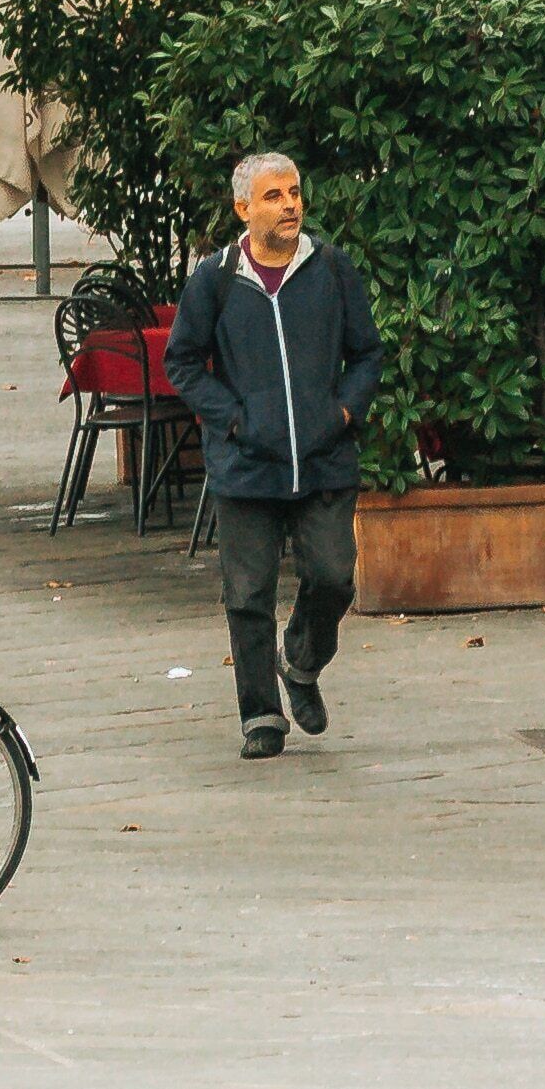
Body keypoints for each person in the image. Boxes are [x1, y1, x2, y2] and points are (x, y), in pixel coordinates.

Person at [165, 150, 386, 763]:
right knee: (248, 594)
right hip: (247, 464)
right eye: (274, 196)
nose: (290, 204)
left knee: (334, 576)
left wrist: (341, 412)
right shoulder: (215, 278)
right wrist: (234, 419)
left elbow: (367, 353)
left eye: (294, 192)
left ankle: (303, 661)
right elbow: (182, 360)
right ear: (243, 208)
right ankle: (260, 713)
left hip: (324, 460)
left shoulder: (332, 270)